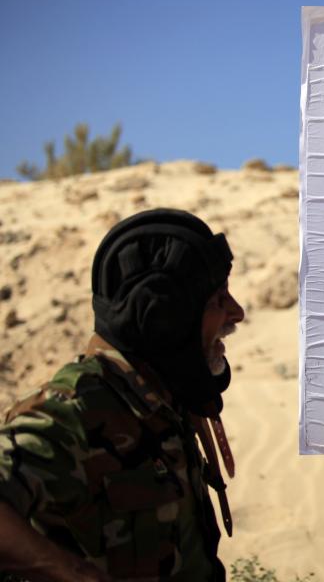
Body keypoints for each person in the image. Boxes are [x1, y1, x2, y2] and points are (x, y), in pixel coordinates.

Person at [0, 209, 245, 581]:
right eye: (217, 300)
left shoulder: (162, 401)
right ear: (165, 318)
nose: (236, 313)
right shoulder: (75, 408)